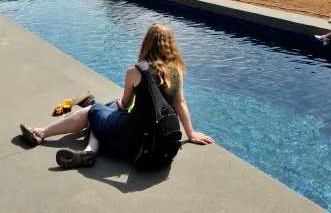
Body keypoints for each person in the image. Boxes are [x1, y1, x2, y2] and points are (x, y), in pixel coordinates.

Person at [19, 23, 214, 168]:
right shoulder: (177, 70)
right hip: (152, 141)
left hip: (128, 138)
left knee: (95, 110)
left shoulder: (135, 72)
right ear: (170, 45)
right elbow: (180, 103)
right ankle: (89, 151)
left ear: (147, 43)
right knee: (106, 109)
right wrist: (191, 133)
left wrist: (118, 105)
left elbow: (125, 102)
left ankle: (41, 133)